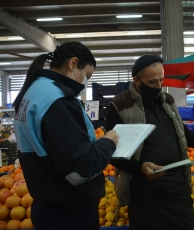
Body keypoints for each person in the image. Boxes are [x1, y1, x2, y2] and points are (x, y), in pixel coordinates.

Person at [13, 42, 119, 230]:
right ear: (73, 64)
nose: (86, 81)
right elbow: (80, 169)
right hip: (70, 212)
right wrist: (108, 143)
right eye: (87, 75)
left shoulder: (33, 91)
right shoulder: (58, 100)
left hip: (47, 205)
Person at [105, 55, 194, 230]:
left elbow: (180, 131)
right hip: (145, 192)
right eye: (152, 82)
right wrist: (140, 167)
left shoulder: (168, 100)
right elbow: (110, 152)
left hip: (177, 187)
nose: (158, 86)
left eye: (161, 80)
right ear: (137, 80)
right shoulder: (120, 105)